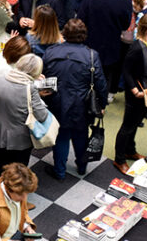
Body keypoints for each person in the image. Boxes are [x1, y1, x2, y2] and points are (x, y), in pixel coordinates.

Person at [43, 18, 107, 178]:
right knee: (81, 135)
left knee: (61, 136)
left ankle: (59, 171)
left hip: (56, 101)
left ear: (64, 33)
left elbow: (43, 77)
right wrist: (102, 104)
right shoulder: (92, 56)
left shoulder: (51, 51)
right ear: (84, 35)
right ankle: (82, 166)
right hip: (82, 104)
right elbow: (100, 83)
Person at [0, 54, 45, 185]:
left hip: (0, 133)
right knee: (18, 173)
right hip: (21, 139)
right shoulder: (30, 88)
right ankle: (13, 201)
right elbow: (42, 116)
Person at [77, 0, 132, 93]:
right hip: (111, 48)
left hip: (88, 45)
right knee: (104, 78)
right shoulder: (125, 1)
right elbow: (125, 25)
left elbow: (80, 19)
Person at [116, 15, 147, 170]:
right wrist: (135, 91)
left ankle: (130, 150)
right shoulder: (136, 47)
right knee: (127, 126)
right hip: (137, 93)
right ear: (145, 28)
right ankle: (119, 159)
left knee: (135, 124)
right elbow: (126, 70)